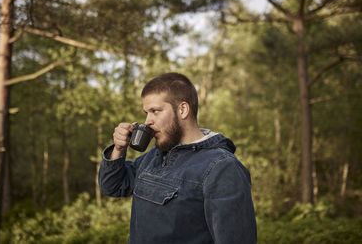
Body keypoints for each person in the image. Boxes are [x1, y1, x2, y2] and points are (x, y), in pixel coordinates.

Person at [99, 72, 257, 244]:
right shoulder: (154, 156)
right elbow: (112, 187)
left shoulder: (222, 168)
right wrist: (119, 149)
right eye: (146, 112)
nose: (147, 121)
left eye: (155, 111)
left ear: (183, 109)